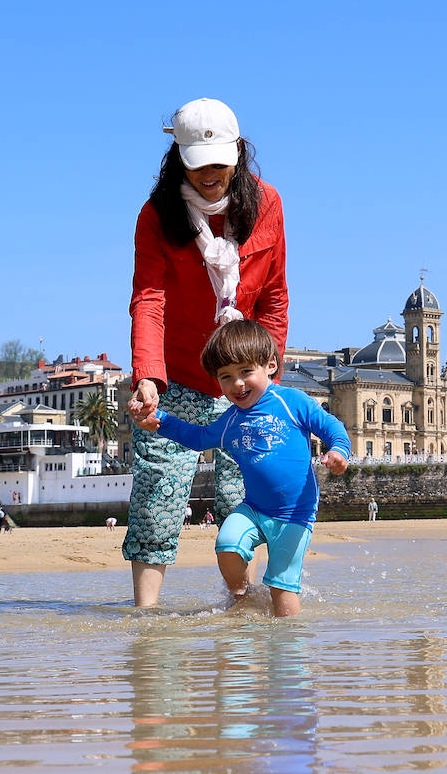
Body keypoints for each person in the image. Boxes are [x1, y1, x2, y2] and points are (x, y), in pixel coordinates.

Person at [124, 97, 290, 609]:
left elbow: (274, 296)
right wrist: (147, 376)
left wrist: (272, 375)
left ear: (239, 153)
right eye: (200, 163)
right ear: (179, 157)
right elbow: (149, 299)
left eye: (221, 160)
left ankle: (242, 603)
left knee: (246, 498)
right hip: (174, 374)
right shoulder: (157, 217)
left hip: (243, 378)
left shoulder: (267, 206)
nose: (212, 173)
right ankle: (146, 618)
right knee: (158, 490)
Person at [134, 319, 350, 617]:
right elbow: (198, 438)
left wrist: (338, 451)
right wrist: (160, 420)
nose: (237, 383)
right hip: (254, 508)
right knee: (226, 545)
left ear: (270, 366)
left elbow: (332, 428)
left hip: (295, 514)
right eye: (225, 376)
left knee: (282, 589)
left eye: (246, 371)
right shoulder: (230, 420)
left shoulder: (292, 402)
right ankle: (244, 596)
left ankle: (287, 653)